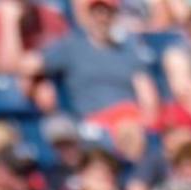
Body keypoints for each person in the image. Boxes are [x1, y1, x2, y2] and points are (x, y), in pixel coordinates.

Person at [24, 0, 159, 132]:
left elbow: (147, 95)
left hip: (130, 118)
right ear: (88, 15)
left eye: (107, 13)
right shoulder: (72, 47)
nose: (102, 18)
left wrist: (146, 123)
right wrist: (40, 83)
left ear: (115, 16)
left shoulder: (128, 51)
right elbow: (28, 65)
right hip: (96, 123)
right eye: (97, 13)